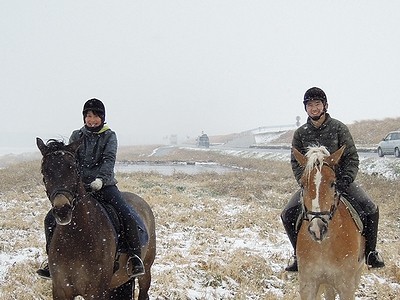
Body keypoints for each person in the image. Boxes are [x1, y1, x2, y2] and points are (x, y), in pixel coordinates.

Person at [37, 98, 145, 279]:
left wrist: (101, 180)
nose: (92, 120)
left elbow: (109, 160)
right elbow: (70, 162)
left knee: (126, 213)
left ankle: (134, 257)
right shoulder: (76, 135)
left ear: (102, 118)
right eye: (88, 116)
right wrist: (76, 182)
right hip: (80, 188)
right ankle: (51, 261)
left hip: (105, 185)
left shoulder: (109, 136)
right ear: (84, 117)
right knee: (50, 219)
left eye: (95, 116)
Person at [281, 87, 385, 272]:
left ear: (325, 106)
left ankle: (371, 253)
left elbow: (352, 157)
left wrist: (345, 179)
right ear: (305, 108)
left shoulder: (338, 128)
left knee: (370, 208)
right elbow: (296, 162)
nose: (314, 108)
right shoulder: (300, 134)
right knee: (287, 213)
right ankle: (297, 256)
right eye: (310, 105)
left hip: (340, 182)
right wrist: (305, 182)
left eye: (317, 104)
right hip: (313, 185)